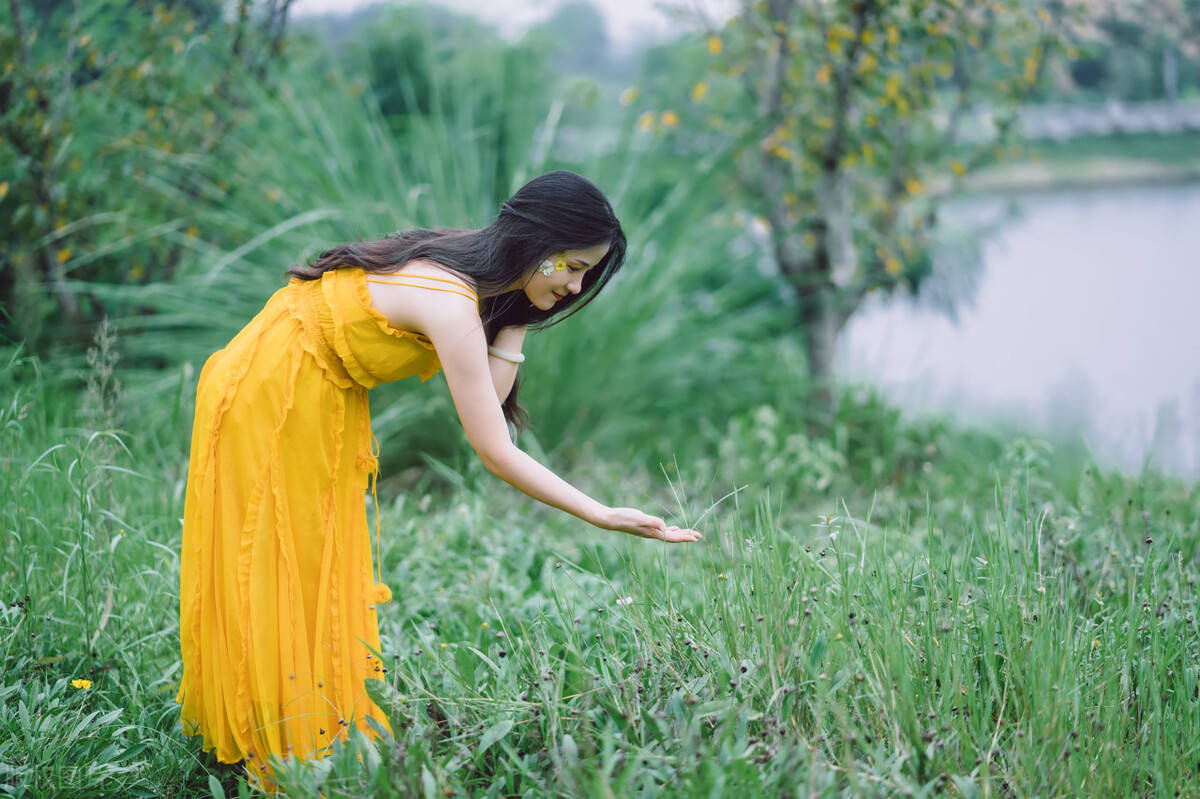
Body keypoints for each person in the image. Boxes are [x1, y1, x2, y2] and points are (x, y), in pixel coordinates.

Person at [175, 170, 702, 791]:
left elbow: (492, 397)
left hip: (313, 388)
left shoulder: (476, 281)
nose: (576, 285)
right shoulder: (451, 300)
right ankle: (275, 738)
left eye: (587, 274)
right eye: (573, 265)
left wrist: (521, 315)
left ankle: (299, 725)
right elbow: (494, 450)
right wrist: (602, 513)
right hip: (272, 387)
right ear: (538, 241)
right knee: (276, 559)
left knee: (312, 559)